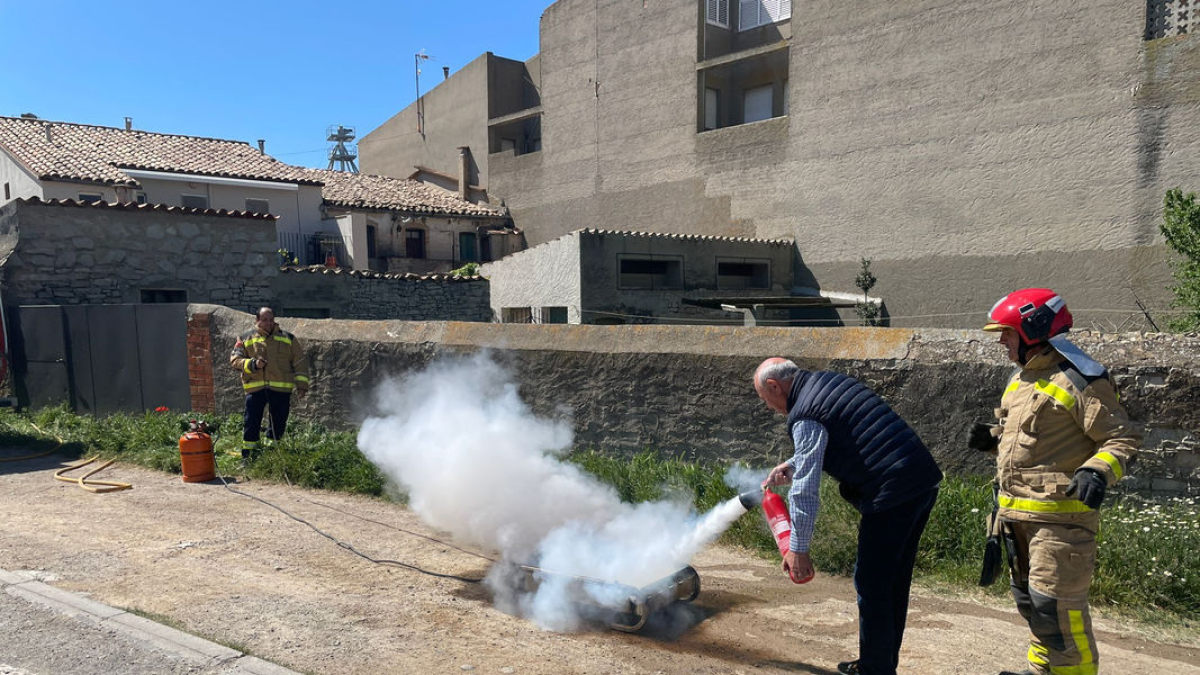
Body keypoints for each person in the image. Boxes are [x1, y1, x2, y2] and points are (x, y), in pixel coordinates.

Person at [969, 288, 1140, 675]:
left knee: (1058, 614)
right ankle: (1041, 671)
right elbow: (1032, 446)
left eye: (1007, 333)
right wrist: (993, 440)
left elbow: (1121, 438)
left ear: (1033, 330)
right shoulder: (1020, 381)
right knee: (1032, 606)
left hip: (1061, 525)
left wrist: (1098, 470)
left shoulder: (1081, 379)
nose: (1000, 341)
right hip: (1016, 518)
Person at [758, 358, 942, 675]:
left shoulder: (804, 413)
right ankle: (879, 664)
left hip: (892, 494)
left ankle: (875, 669)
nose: (771, 409)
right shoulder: (825, 382)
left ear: (775, 386)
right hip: (919, 483)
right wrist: (792, 464)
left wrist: (798, 549)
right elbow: (833, 438)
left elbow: (805, 490)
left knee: (872, 584)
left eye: (766, 400)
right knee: (891, 583)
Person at [230, 307, 310, 465]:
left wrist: (302, 385)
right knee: (251, 422)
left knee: (278, 423)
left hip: (281, 389)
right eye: (264, 319)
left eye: (271, 319)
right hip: (255, 388)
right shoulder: (244, 338)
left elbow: (300, 363)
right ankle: (249, 458)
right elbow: (235, 360)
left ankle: (272, 457)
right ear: (257, 320)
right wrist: (253, 364)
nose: (268, 323)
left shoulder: (288, 338)